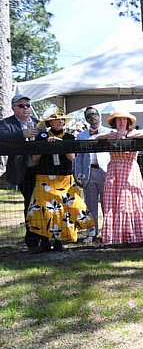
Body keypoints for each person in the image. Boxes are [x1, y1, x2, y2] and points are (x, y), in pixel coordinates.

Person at [27, 108, 95, 251]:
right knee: (43, 210)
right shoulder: (42, 136)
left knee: (65, 210)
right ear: (50, 122)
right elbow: (34, 158)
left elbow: (72, 157)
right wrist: (45, 145)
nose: (61, 121)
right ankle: (44, 241)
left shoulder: (69, 137)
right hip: (44, 177)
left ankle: (60, 241)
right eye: (57, 119)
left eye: (63, 119)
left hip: (64, 178)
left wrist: (60, 144)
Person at [97, 111, 143, 245]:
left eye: (124, 119)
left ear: (129, 122)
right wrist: (111, 135)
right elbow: (96, 137)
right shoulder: (110, 133)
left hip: (130, 171)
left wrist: (128, 135)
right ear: (114, 122)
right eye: (119, 119)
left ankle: (136, 237)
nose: (122, 122)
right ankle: (116, 238)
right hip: (114, 171)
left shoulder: (136, 133)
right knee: (114, 203)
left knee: (132, 201)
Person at [0, 94, 42, 252]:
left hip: (41, 170)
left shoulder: (38, 124)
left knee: (44, 202)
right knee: (30, 203)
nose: (26, 108)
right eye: (21, 106)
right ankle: (32, 239)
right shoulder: (6, 123)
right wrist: (21, 135)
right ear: (13, 108)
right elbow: (1, 136)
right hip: (23, 171)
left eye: (28, 105)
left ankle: (45, 236)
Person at [74, 107, 111, 244]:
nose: (93, 117)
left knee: (107, 205)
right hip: (89, 173)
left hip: (106, 172)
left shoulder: (109, 132)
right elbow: (79, 158)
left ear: (99, 116)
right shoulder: (81, 136)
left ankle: (109, 232)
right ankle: (92, 232)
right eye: (89, 116)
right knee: (90, 206)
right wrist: (78, 175)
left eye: (95, 114)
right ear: (86, 119)